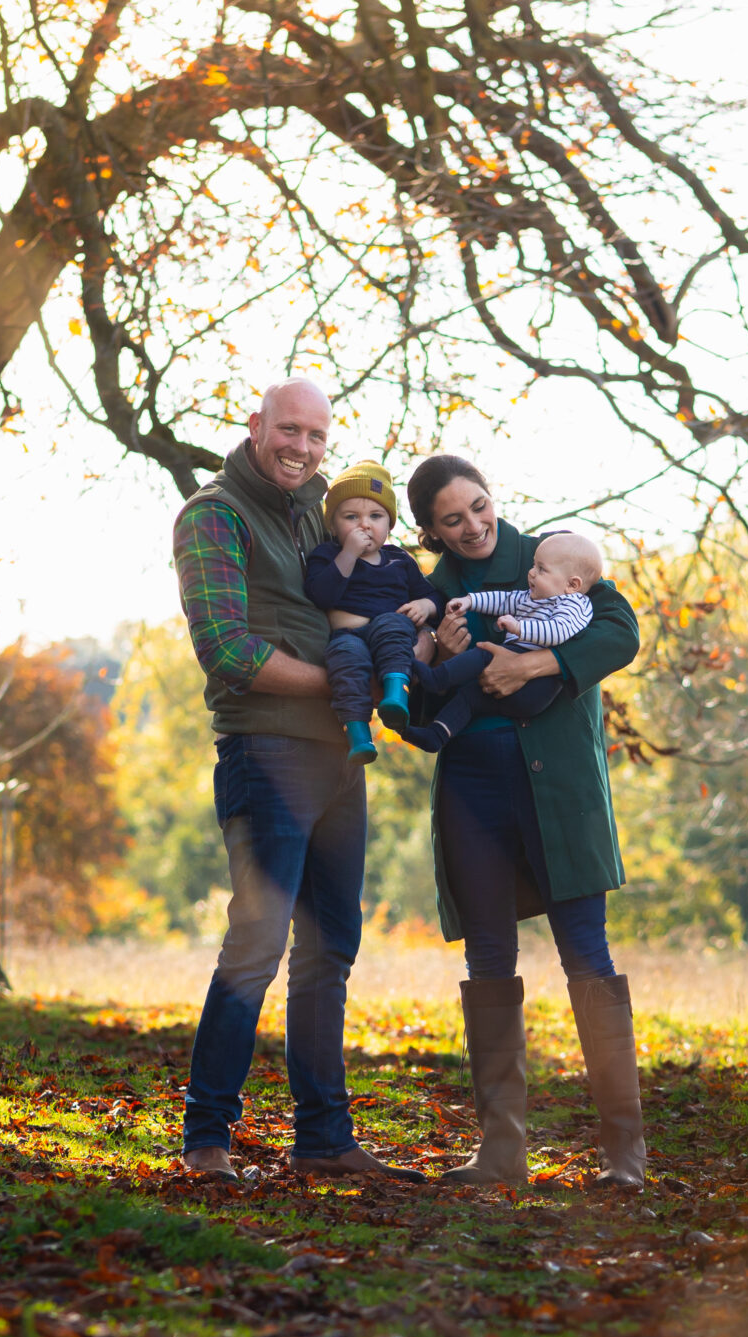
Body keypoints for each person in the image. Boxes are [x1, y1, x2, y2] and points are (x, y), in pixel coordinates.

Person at [170, 379, 421, 1181]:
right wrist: (338, 686)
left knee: (329, 950)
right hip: (267, 750)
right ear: (255, 426)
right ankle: (207, 1138)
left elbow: (377, 586)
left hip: (341, 759)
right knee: (256, 946)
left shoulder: (326, 509)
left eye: (316, 435)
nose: (303, 448)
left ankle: (323, 1141)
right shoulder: (213, 514)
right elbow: (228, 649)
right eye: (289, 430)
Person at [405, 454, 647, 1189]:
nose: (475, 524)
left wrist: (536, 667)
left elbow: (619, 630)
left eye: (480, 505)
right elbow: (412, 707)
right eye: (454, 518)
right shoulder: (428, 591)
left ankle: (623, 1154)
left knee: (586, 952)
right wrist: (435, 661)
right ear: (431, 530)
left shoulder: (548, 557)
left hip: (557, 789)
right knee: (488, 958)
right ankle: (502, 1150)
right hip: (473, 792)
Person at [398, 532, 600, 752]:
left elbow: (558, 632)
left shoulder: (574, 604)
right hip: (519, 681)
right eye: (534, 565)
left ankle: (436, 678)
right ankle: (435, 735)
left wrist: (519, 628)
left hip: (537, 686)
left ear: (572, 584)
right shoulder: (532, 597)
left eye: (542, 569)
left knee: (484, 654)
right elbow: (503, 599)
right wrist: (469, 601)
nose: (531, 573)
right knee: (469, 696)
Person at [301, 459, 440, 765]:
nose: (364, 524)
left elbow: (432, 595)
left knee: (393, 627)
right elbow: (321, 595)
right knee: (345, 665)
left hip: (388, 631)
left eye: (376, 516)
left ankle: (395, 694)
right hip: (348, 637)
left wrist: (424, 605)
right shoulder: (327, 555)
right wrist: (348, 554)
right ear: (333, 526)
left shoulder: (399, 560)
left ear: (389, 526)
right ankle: (359, 735)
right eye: (351, 517)